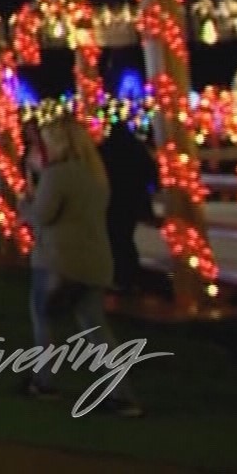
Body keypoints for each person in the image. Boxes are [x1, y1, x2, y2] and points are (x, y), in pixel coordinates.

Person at [20, 119, 145, 416]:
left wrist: (23, 204)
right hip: (95, 260)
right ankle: (121, 392)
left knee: (44, 321)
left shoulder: (58, 175)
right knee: (95, 327)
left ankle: (44, 380)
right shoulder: (95, 174)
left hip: (58, 259)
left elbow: (40, 216)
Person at [98, 120, 157, 293]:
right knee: (125, 236)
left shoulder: (106, 149)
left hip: (113, 200)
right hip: (133, 198)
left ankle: (120, 275)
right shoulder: (137, 148)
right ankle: (129, 275)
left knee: (116, 237)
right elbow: (150, 172)